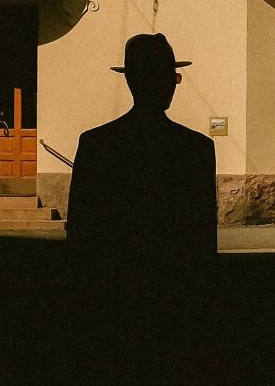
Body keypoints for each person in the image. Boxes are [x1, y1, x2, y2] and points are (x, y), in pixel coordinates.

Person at [65, 33, 217, 379]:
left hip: (112, 302)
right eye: (171, 77)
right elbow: (202, 239)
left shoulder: (96, 145)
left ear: (130, 80)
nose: (173, 86)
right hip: (175, 303)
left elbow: (81, 235)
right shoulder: (195, 149)